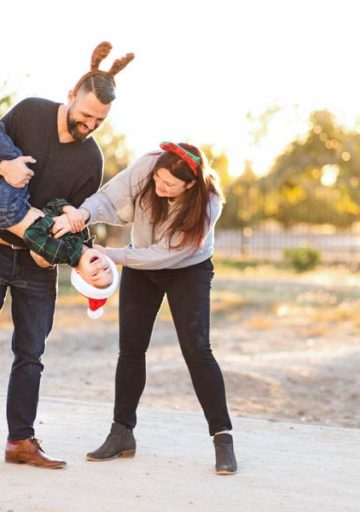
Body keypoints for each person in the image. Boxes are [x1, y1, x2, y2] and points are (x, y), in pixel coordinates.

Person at [0, 41, 134, 475]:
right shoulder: (30, 112)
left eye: (99, 121)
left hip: (37, 262)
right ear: (72, 94)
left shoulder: (92, 158)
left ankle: (21, 441)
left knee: (31, 353)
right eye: (85, 115)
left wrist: (70, 239)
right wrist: (3, 169)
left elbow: (77, 219)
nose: (89, 125)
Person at [56, 141, 238, 475]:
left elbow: (164, 255)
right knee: (130, 349)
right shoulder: (149, 166)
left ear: (190, 185)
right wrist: (82, 215)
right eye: (158, 179)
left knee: (197, 350)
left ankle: (222, 439)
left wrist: (112, 255)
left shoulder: (209, 203)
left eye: (169, 185)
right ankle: (121, 432)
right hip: (141, 265)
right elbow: (111, 196)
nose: (159, 186)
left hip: (188, 270)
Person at [0, 90, 117, 291]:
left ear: (80, 275)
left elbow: (33, 239)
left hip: (7, 212)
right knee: (17, 164)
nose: (100, 267)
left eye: (95, 275)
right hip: (9, 215)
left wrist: (44, 241)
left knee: (20, 165)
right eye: (107, 269)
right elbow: (53, 205)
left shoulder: (60, 253)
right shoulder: (80, 233)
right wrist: (68, 210)